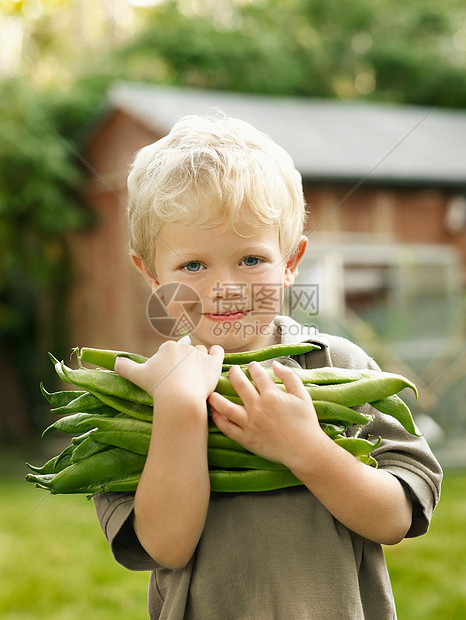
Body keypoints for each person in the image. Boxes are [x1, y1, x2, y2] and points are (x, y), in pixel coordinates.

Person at [93, 113, 442, 619]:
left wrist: (305, 448)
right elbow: (166, 547)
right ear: (151, 275)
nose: (225, 287)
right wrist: (178, 410)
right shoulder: (137, 397)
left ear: (291, 260)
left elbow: (396, 518)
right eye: (193, 265)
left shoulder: (337, 365)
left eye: (251, 260)